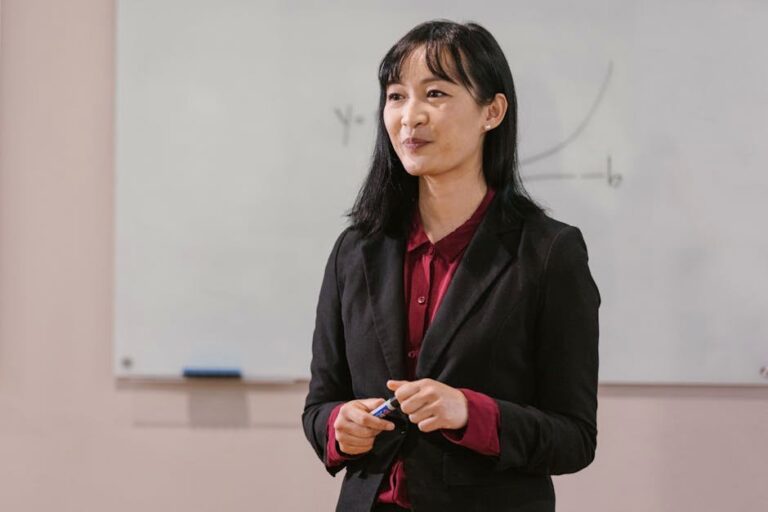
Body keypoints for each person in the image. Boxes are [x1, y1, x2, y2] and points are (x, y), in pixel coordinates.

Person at [302, 19, 601, 512]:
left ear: (492, 111)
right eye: (396, 96)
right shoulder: (356, 250)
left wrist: (469, 412)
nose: (409, 117)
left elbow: (574, 437)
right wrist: (339, 426)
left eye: (435, 93)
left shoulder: (549, 252)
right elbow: (320, 406)